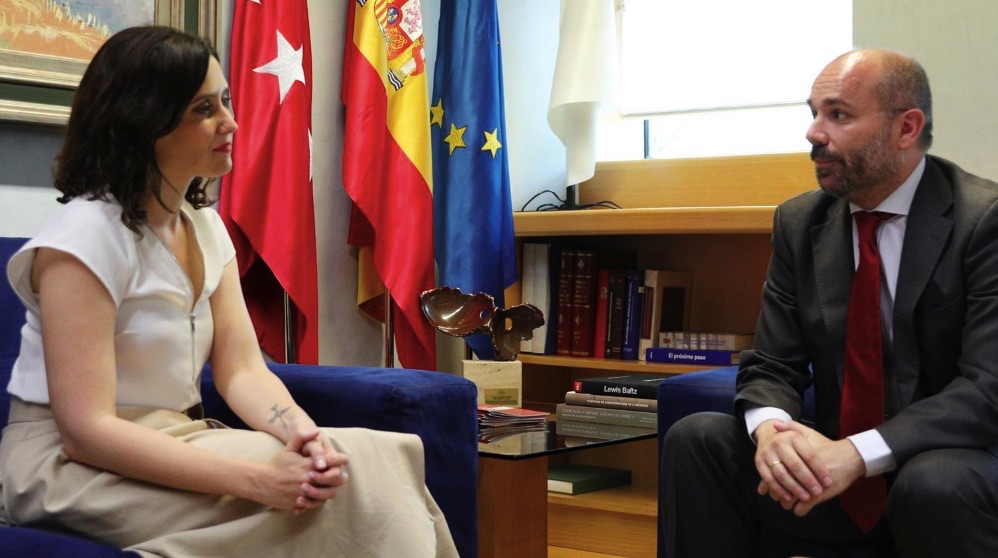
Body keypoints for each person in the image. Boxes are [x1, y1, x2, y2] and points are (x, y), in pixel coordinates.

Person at [0, 26, 458, 558]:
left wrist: (303, 437)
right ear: (142, 123)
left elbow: (243, 371)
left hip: (174, 439)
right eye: (203, 110)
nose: (231, 123)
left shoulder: (205, 228)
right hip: (65, 467)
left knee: (363, 457)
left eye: (225, 101)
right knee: (328, 497)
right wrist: (256, 479)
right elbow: (87, 431)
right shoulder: (82, 240)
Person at [662, 49, 998, 557]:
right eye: (814, 112)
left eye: (838, 115)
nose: (814, 133)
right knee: (699, 440)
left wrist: (857, 455)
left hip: (955, 462)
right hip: (836, 471)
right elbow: (773, 363)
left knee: (932, 481)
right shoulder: (802, 223)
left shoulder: (983, 222)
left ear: (906, 129)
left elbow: (985, 390)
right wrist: (773, 433)